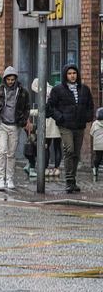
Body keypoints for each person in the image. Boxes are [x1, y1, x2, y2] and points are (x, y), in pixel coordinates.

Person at [46, 64, 95, 194]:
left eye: (74, 73)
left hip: (79, 125)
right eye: (69, 73)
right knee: (69, 149)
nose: (72, 76)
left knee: (76, 153)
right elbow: (50, 107)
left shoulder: (84, 89)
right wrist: (59, 117)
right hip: (65, 125)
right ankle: (68, 180)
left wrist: (88, 116)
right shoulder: (58, 90)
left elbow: (90, 104)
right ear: (65, 75)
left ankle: (73, 179)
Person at [0, 66, 31, 193]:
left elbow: (26, 107)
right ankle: (1, 178)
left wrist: (23, 120)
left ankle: (9, 178)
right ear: (5, 79)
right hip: (1, 124)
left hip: (14, 125)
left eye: (12, 79)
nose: (10, 82)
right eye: (8, 79)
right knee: (2, 150)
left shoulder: (22, 92)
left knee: (11, 153)